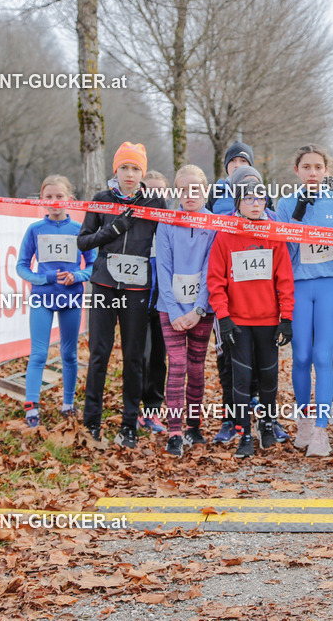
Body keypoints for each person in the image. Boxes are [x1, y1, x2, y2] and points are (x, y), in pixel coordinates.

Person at [78, 142, 166, 448]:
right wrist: (114, 229)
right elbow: (83, 242)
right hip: (104, 284)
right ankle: (92, 422)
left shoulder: (155, 202)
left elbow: (170, 238)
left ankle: (129, 424)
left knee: (133, 357)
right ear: (115, 170)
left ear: (142, 172)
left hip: (137, 289)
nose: (129, 174)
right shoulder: (102, 199)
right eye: (124, 167)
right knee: (99, 354)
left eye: (135, 168)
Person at [207, 176, 295, 458]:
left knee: (269, 380)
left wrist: (287, 318)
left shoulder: (273, 233)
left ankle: (266, 426)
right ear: (238, 203)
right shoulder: (226, 234)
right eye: (248, 199)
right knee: (241, 381)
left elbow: (285, 279)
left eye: (261, 198)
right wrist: (223, 317)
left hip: (269, 321)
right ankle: (243, 431)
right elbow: (215, 281)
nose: (255, 204)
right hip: (238, 322)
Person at [276, 144, 333, 457]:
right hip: (300, 285)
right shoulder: (286, 203)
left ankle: (321, 430)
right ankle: (304, 421)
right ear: (297, 171)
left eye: (318, 167)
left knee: (323, 356)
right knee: (301, 356)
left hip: (330, 283)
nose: (313, 173)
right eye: (307, 167)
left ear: (327, 170)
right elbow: (284, 250)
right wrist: (298, 215)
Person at [16, 176, 96, 427]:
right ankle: (31, 408)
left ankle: (68, 404)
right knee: (38, 354)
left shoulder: (80, 230)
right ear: (42, 200)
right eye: (48, 197)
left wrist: (77, 276)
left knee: (69, 354)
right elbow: (21, 266)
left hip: (71, 297)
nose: (54, 202)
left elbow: (94, 265)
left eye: (59, 196)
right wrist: (44, 277)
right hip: (43, 298)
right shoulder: (35, 230)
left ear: (70, 200)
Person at [154, 165, 217, 457]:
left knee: (196, 368)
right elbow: (163, 269)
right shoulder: (167, 222)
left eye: (196, 189)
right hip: (170, 308)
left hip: (202, 308)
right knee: (177, 365)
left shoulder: (214, 223)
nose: (190, 195)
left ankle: (194, 425)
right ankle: (175, 431)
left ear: (205, 190)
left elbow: (210, 270)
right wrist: (175, 310)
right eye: (183, 189)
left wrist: (198, 309)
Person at [138, 170, 170, 434]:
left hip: (163, 301)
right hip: (136, 301)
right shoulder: (134, 220)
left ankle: (152, 411)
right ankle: (133, 409)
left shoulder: (171, 223)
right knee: (141, 357)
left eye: (160, 191)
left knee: (159, 359)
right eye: (149, 190)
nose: (155, 196)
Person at [208, 140, 255, 214]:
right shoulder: (215, 194)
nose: (237, 165)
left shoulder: (261, 194)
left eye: (243, 161)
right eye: (232, 160)